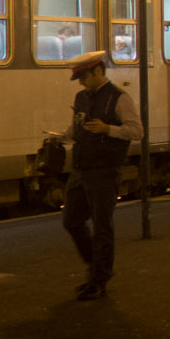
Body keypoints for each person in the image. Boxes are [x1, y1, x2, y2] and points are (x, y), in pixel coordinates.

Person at [60, 50, 141, 301]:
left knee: (102, 225)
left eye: (84, 76)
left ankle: (99, 279)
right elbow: (76, 126)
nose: (81, 82)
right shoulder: (81, 97)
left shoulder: (119, 98)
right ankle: (97, 265)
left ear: (98, 71)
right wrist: (60, 137)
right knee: (71, 220)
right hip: (82, 168)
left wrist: (109, 129)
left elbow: (137, 131)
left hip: (105, 169)